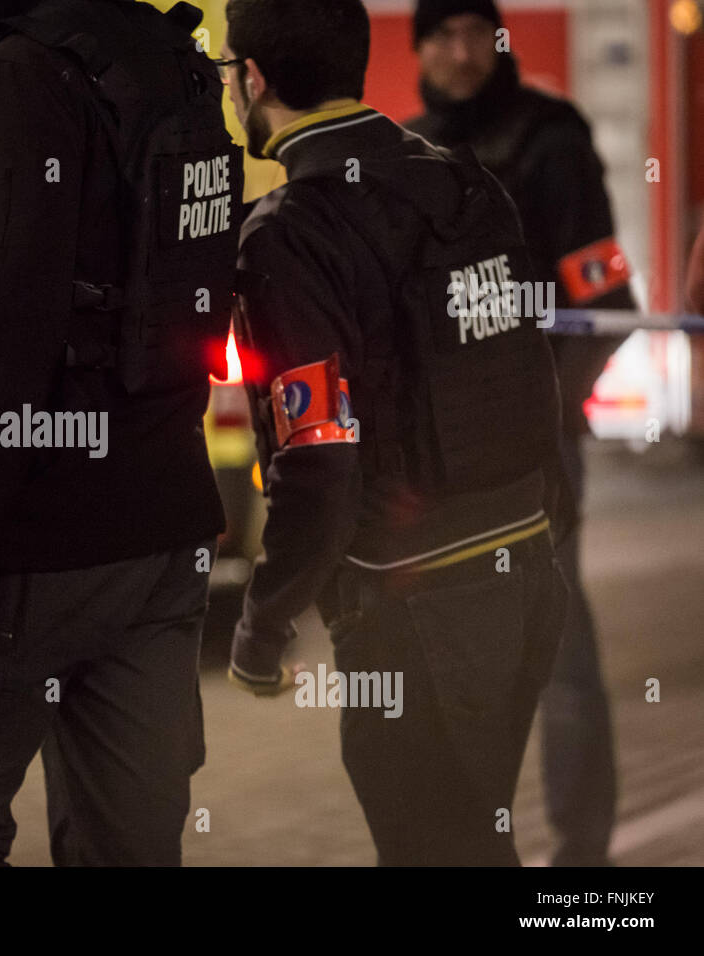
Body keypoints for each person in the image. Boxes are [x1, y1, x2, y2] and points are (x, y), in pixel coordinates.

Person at [0, 0, 241, 865]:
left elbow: (1, 350)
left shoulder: (21, 72)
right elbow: (129, 277)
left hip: (40, 535)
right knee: (128, 835)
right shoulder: (166, 53)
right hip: (163, 528)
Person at [219, 0, 568, 865]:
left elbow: (319, 460)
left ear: (254, 80)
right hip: (526, 573)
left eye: (228, 70)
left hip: (415, 614)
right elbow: (528, 371)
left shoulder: (290, 233)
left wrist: (264, 624)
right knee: (475, 839)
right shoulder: (460, 178)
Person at [404, 0, 632, 867]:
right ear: (422, 48)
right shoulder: (412, 148)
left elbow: (606, 301)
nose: (460, 52)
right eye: (442, 36)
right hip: (442, 455)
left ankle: (582, 858)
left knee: (558, 646)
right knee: (449, 654)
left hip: (536, 449)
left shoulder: (551, 141)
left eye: (474, 33)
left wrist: (551, 420)